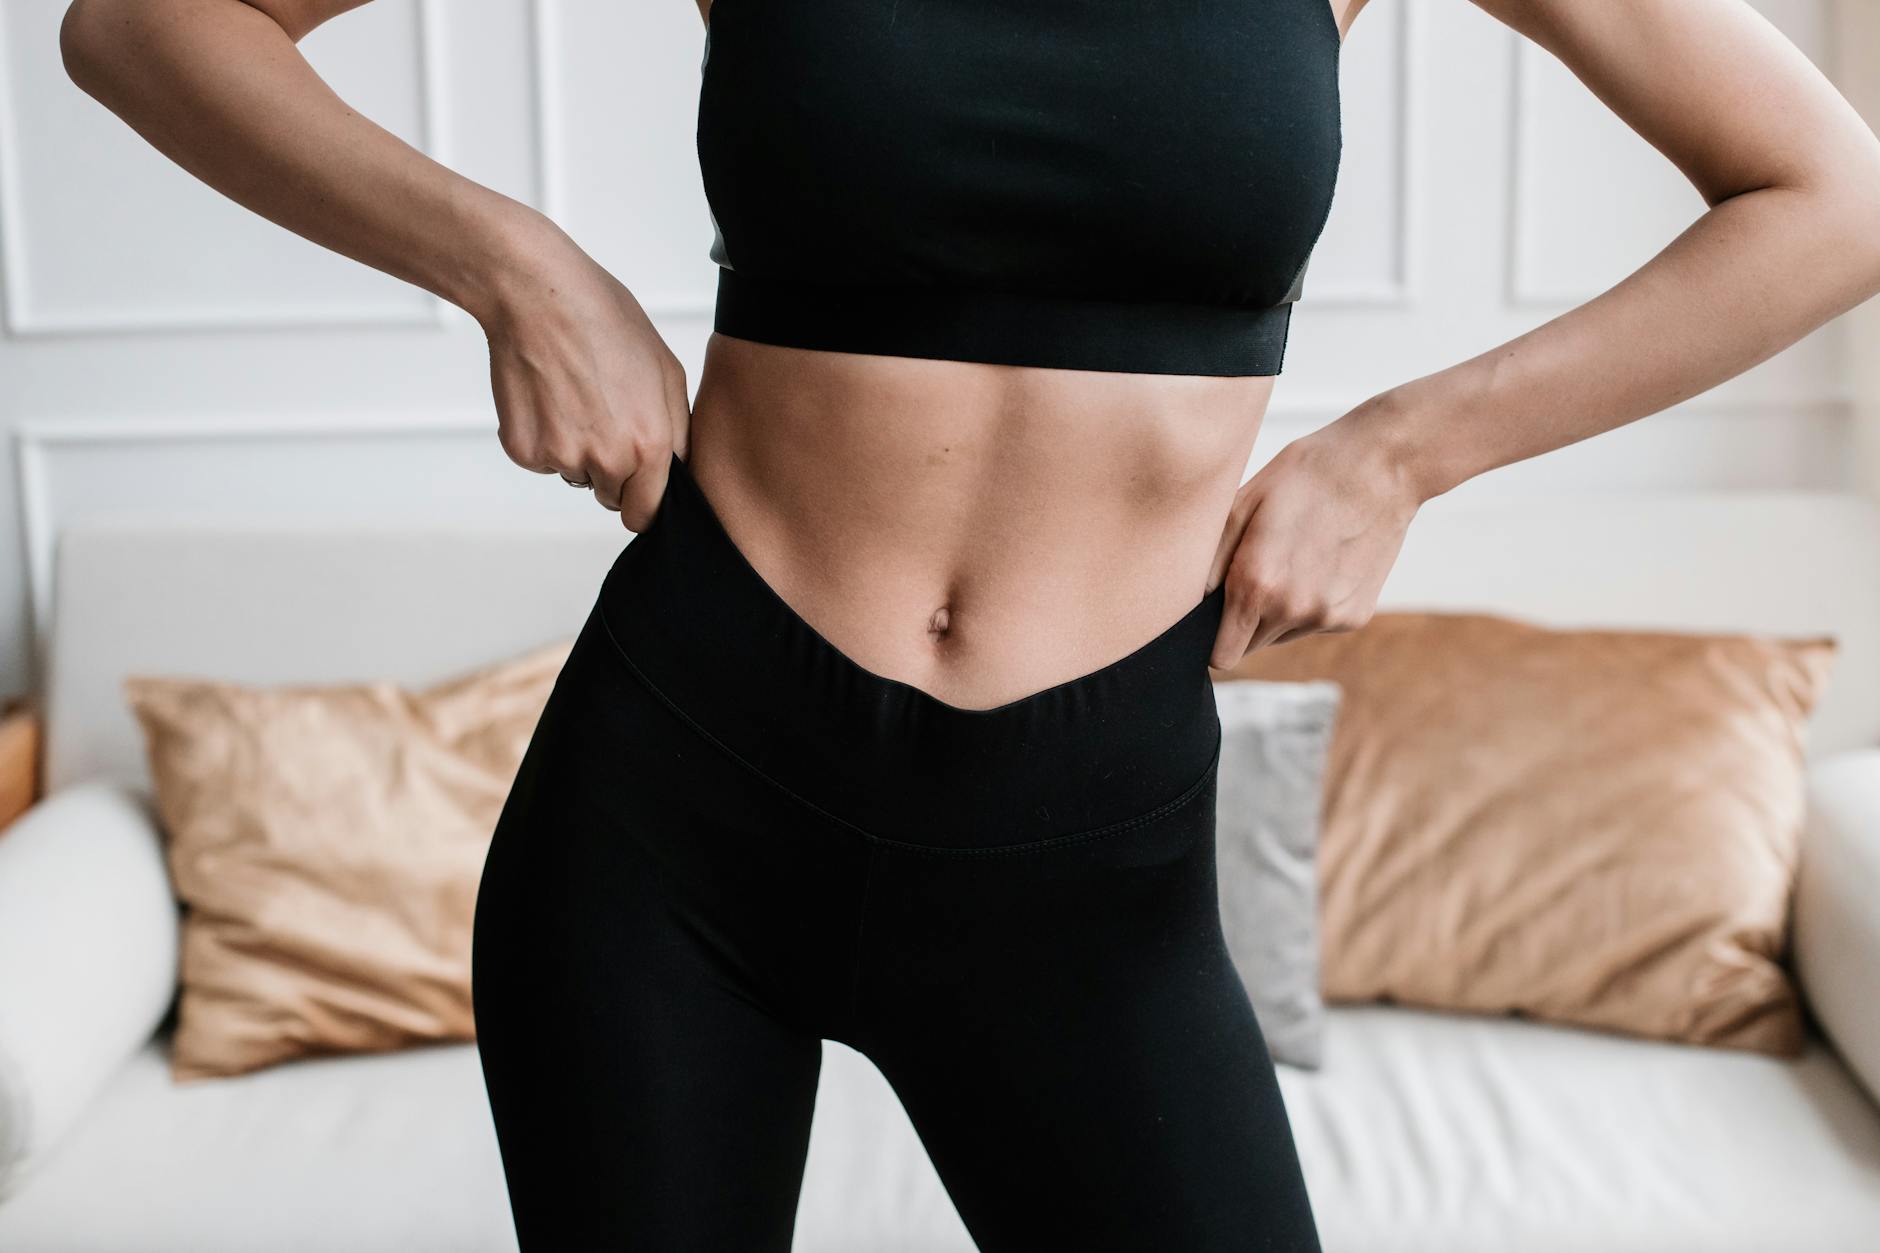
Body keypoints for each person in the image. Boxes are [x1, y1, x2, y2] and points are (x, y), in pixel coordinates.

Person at [61, 0, 1880, 1248]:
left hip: (1086, 856)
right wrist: (511, 265)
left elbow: (1831, 193)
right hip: (681, 798)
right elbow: (144, 23)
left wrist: (1411, 450)